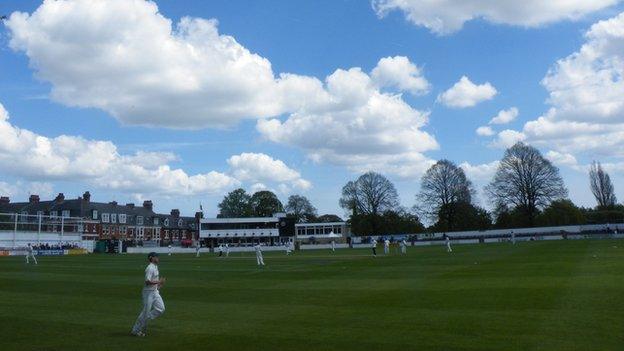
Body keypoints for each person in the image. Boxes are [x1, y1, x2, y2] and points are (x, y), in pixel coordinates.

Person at [131, 252, 165, 337]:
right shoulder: (150, 268)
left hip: (155, 292)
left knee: (161, 309)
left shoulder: (156, 267)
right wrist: (159, 281)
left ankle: (146, 317)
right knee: (145, 312)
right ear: (151, 258)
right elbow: (147, 281)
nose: (158, 258)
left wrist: (159, 285)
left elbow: (154, 281)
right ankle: (136, 330)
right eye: (156, 257)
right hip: (148, 293)